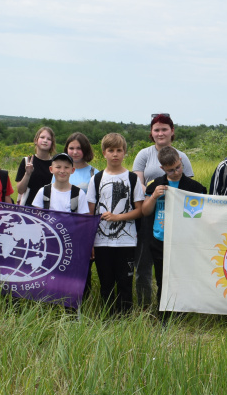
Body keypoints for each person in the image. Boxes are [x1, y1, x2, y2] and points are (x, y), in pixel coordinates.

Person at [133, 113, 195, 306]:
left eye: (164, 129)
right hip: (149, 212)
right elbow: (138, 183)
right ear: (151, 133)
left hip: (176, 217)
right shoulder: (144, 154)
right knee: (144, 263)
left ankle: (174, 303)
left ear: (172, 131)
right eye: (156, 129)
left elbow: (190, 186)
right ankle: (145, 304)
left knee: (174, 264)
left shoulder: (182, 156)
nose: (160, 133)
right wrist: (153, 194)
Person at [140, 146, 207, 313]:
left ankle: (182, 312)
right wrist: (154, 196)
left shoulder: (195, 188)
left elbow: (201, 217)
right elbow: (145, 211)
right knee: (162, 280)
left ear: (181, 161)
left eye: (178, 167)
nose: (176, 172)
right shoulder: (156, 185)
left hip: (185, 241)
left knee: (183, 278)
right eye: (170, 170)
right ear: (162, 169)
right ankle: (163, 313)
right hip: (160, 240)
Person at [87, 133, 145, 314]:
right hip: (101, 242)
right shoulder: (96, 179)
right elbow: (90, 214)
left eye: (119, 150)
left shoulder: (132, 178)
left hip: (126, 241)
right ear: (103, 153)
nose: (115, 154)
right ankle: (108, 318)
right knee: (106, 283)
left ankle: (125, 319)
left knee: (125, 283)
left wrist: (117, 217)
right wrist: (90, 243)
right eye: (111, 150)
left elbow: (140, 210)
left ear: (124, 153)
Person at [15, 126, 56, 205]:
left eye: (49, 139)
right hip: (28, 208)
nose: (45, 141)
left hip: (48, 208)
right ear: (35, 140)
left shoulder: (55, 164)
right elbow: (20, 190)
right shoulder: (27, 161)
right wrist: (28, 173)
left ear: (52, 143)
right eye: (42, 137)